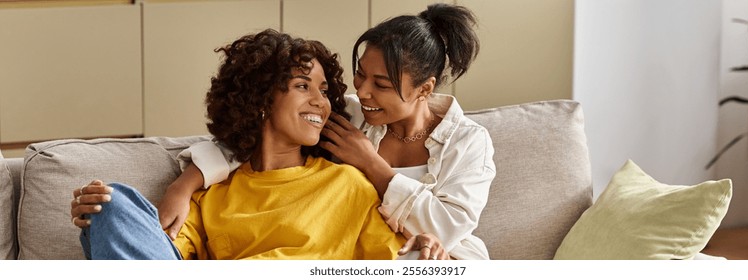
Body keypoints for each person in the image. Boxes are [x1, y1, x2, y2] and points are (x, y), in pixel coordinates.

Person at [70, 29, 446, 260]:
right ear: (262, 98)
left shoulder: (348, 184)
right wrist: (102, 212)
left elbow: (397, 258)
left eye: (324, 90)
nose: (322, 101)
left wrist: (423, 249)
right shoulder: (212, 194)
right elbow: (157, 254)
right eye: (303, 86)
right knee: (112, 201)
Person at [159, 3, 496, 260]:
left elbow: (446, 229)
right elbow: (255, 131)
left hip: (445, 256)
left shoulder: (466, 142)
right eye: (361, 74)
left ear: (424, 89)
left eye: (380, 84)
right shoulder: (346, 113)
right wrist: (184, 185)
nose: (362, 92)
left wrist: (371, 164)